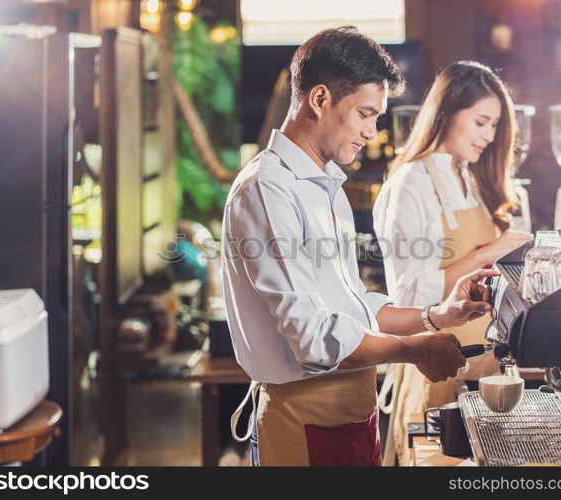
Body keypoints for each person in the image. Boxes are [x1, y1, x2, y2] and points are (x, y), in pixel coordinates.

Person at [222, 28, 498, 466]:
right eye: (365, 114)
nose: (372, 132)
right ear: (319, 99)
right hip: (305, 422)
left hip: (351, 415)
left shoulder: (325, 183)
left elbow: (352, 309)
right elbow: (314, 340)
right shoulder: (267, 190)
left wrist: (435, 314)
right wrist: (414, 349)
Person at [373, 60, 533, 465]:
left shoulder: (475, 179)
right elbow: (407, 294)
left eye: (495, 125)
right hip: (436, 374)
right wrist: (485, 253)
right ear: (447, 112)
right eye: (481, 121)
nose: (489, 136)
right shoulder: (410, 184)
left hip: (487, 373)